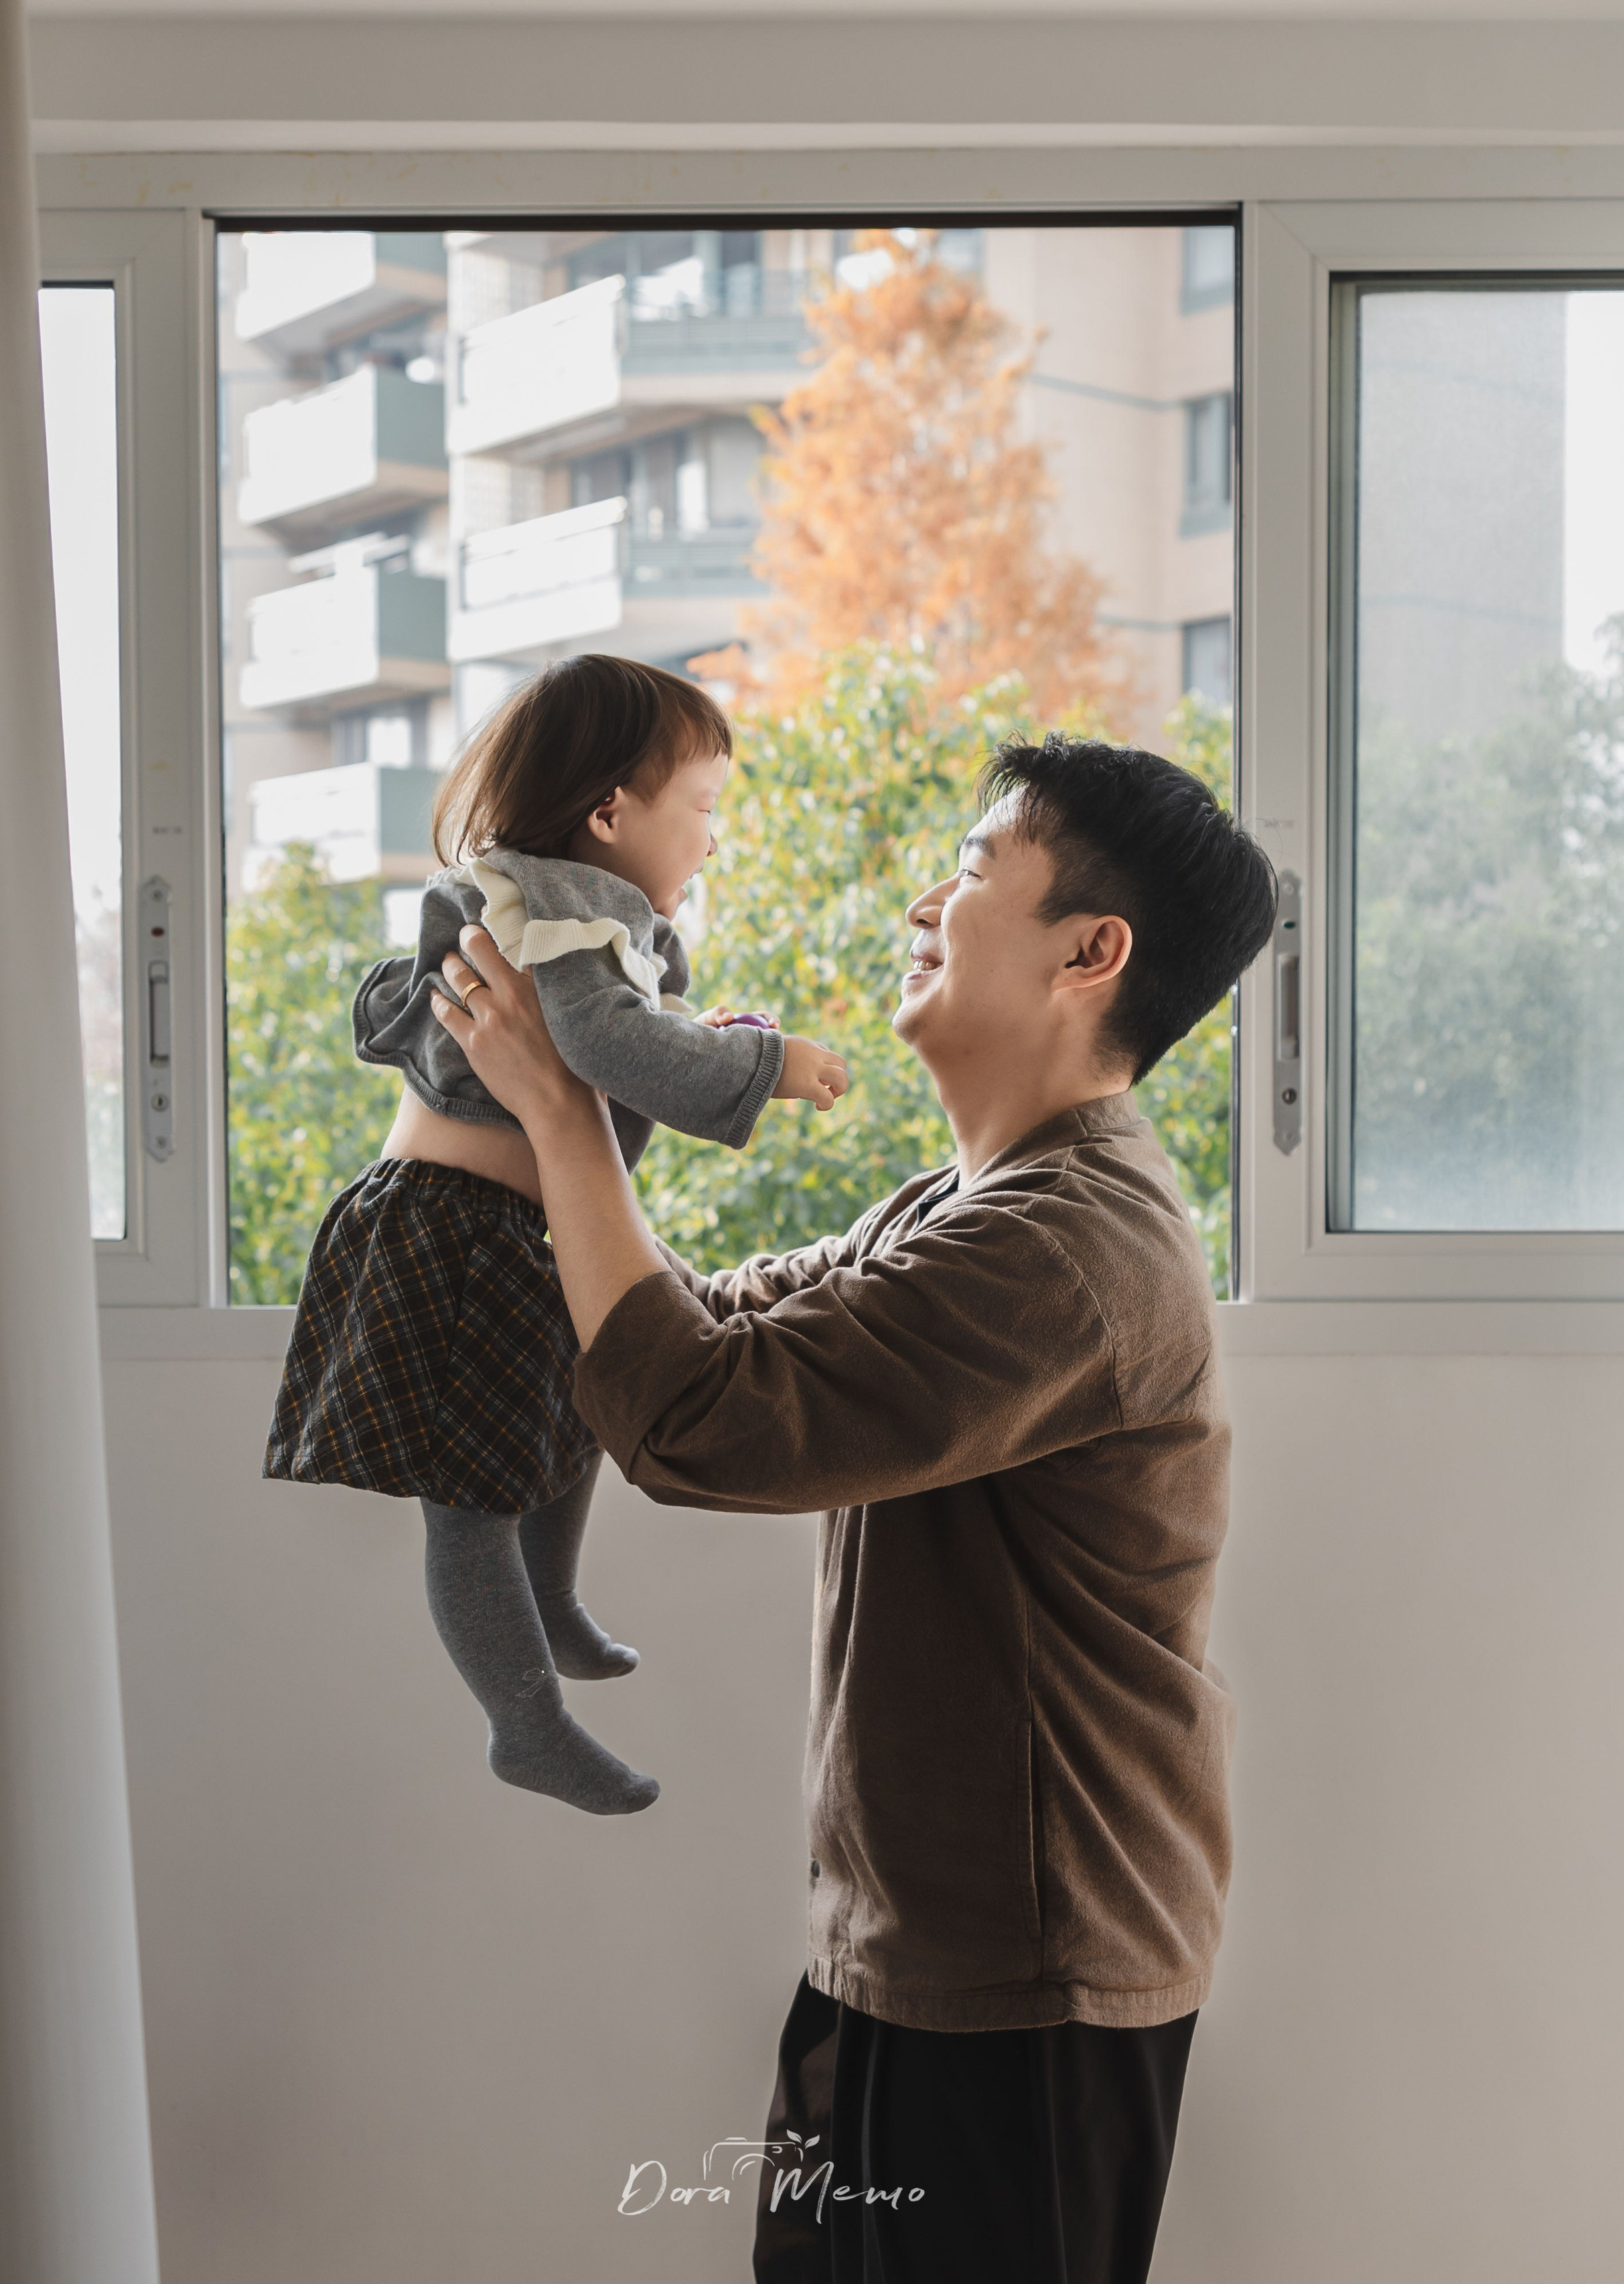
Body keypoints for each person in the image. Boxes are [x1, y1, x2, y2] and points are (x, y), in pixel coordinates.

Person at [428, 725, 1278, 2283]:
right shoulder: (967, 1207)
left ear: (1092, 951)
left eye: (968, 871)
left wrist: (565, 1114)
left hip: (1026, 1983)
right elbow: (697, 1326)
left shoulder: (1066, 1249)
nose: (920, 904)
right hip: (908, 1945)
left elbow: (694, 1420)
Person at [263, 655, 847, 1818]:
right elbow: (607, 1048)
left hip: (520, 1235)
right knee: (472, 1501)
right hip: (459, 1240)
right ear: (608, 813)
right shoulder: (551, 908)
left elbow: (615, 1029)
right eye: (704, 812)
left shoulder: (572, 912)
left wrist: (690, 1025)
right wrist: (759, 1064)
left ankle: (556, 1598)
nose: (713, 842)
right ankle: (522, 1720)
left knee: (576, 1414)